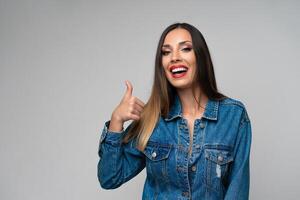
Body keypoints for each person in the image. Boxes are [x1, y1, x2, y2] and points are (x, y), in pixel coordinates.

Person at [97, 22, 252, 200]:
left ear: (200, 57)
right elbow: (109, 178)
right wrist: (116, 121)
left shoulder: (233, 116)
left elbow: (237, 191)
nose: (174, 58)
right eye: (166, 52)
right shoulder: (152, 118)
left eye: (185, 49)